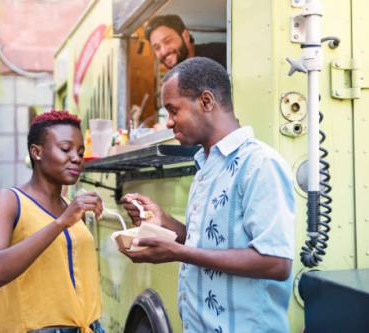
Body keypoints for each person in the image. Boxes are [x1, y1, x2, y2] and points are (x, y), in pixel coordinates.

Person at [119, 57, 295, 332]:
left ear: (206, 101)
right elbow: (207, 243)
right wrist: (165, 223)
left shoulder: (260, 164)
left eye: (173, 110)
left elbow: (276, 262)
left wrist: (178, 253)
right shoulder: (206, 165)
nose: (168, 122)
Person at [0, 110, 105, 333]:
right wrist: (60, 223)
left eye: (80, 152)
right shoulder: (9, 200)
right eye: (65, 149)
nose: (76, 158)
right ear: (36, 152)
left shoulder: (71, 207)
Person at [144, 14, 226, 70]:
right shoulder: (176, 77)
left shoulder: (221, 54)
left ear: (185, 35)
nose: (163, 51)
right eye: (157, 47)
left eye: (168, 41)